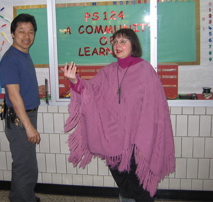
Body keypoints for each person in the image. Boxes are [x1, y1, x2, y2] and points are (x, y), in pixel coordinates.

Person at [62, 28, 175, 202]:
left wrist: (145, 136)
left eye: (123, 41)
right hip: (114, 138)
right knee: (124, 184)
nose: (118, 45)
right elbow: (90, 90)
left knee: (140, 187)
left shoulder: (145, 70)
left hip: (138, 140)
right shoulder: (107, 71)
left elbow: (155, 108)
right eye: (115, 42)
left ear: (133, 45)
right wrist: (75, 80)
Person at [0, 13, 42, 202]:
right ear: (13, 33)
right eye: (21, 31)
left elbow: (19, 88)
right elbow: (14, 97)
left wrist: (36, 89)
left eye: (30, 32)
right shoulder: (11, 59)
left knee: (27, 165)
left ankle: (23, 198)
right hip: (20, 120)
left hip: (24, 117)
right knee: (24, 166)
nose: (27, 36)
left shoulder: (23, 54)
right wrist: (29, 127)